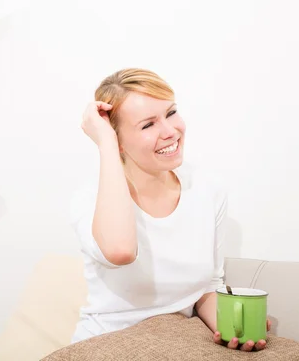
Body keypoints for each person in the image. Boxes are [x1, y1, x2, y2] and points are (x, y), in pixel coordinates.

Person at [70, 68, 270, 352]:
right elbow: (120, 251)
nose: (170, 131)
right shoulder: (90, 197)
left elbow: (207, 287)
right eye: (147, 125)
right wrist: (105, 144)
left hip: (175, 343)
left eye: (171, 113)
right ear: (119, 142)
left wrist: (233, 328)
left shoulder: (208, 189)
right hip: (105, 345)